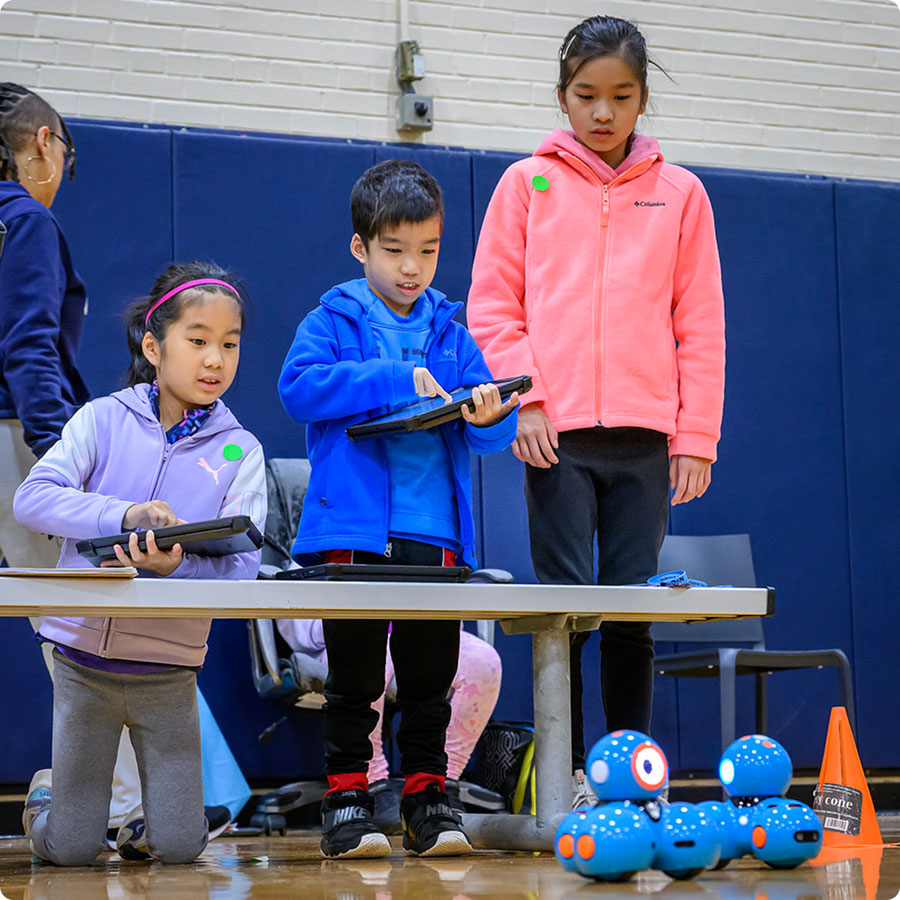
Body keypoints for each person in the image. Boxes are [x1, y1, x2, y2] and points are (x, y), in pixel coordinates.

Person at [467, 16, 725, 807]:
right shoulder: (525, 184)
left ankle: (630, 779)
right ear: (562, 97)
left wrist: (696, 437)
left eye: (620, 96)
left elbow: (701, 324)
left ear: (642, 98)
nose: (603, 112)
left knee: (631, 615)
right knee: (564, 613)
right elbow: (494, 308)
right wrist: (530, 402)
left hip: (648, 441)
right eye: (586, 96)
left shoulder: (681, 194)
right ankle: (570, 778)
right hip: (559, 438)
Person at [278, 159, 519, 859]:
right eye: (394, 251)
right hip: (353, 535)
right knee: (353, 681)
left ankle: (426, 800)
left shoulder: (451, 326)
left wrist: (485, 414)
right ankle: (347, 800)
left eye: (428, 250)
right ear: (361, 248)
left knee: (428, 683)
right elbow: (299, 389)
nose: (412, 268)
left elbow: (493, 431)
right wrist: (391, 375)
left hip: (436, 536)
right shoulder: (334, 316)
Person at [14, 262, 267, 865]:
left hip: (169, 673)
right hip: (82, 665)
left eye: (229, 345)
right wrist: (122, 515)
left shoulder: (242, 450)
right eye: (198, 340)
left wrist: (174, 568)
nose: (215, 360)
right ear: (153, 346)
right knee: (71, 849)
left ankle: (149, 823)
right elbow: (33, 499)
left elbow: (241, 575)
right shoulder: (101, 419)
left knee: (180, 849)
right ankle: (47, 797)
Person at [276, 618, 502, 828]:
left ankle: (442, 782)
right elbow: (297, 628)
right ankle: (371, 781)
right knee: (370, 645)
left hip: (414, 626)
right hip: (340, 636)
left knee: (484, 662)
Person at [0, 82, 86, 567]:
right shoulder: (27, 221)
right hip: (14, 435)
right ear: (42, 141)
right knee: (66, 621)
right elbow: (29, 346)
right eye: (63, 153)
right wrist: (58, 452)